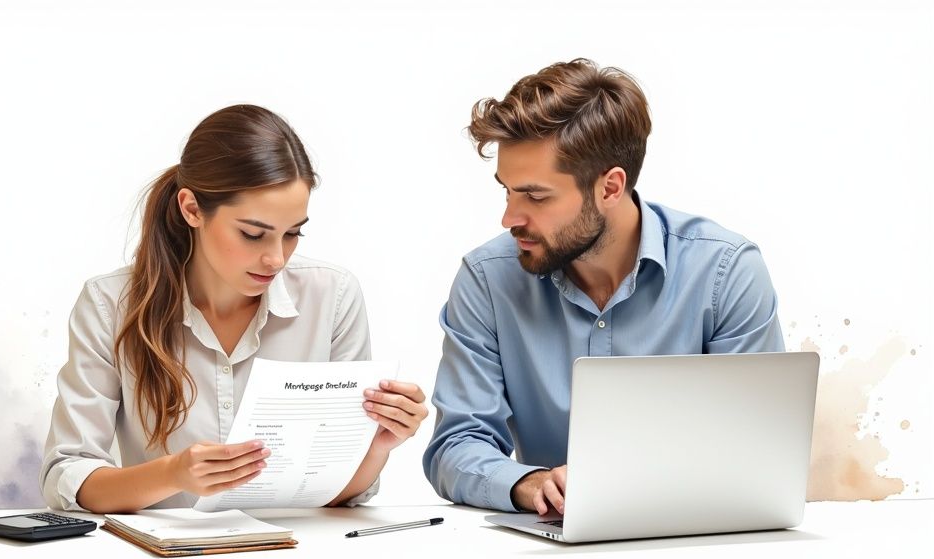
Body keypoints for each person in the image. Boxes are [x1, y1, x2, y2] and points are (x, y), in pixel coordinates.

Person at [423, 59, 784, 514]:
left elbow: (756, 447)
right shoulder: (487, 278)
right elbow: (457, 444)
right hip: (549, 546)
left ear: (610, 187)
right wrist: (529, 484)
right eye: (507, 191)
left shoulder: (724, 271)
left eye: (535, 196)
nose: (509, 218)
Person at [41, 104, 428, 513]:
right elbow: (69, 477)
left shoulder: (333, 296)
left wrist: (378, 447)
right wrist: (173, 473)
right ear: (192, 209)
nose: (276, 259)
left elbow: (335, 493)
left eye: (293, 233)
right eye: (252, 234)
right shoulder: (109, 305)